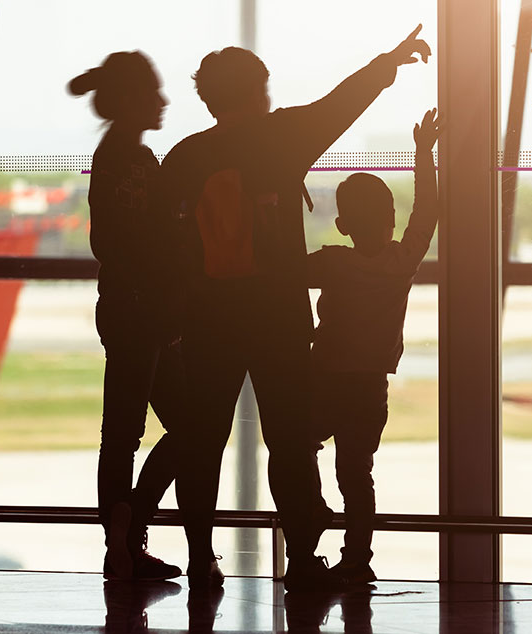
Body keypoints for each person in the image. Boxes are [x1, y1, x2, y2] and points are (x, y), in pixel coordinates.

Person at [160, 27, 431, 590]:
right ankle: (303, 560)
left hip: (208, 320)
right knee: (289, 442)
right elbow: (342, 103)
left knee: (203, 442)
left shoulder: (184, 158)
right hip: (277, 319)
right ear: (259, 91)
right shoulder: (279, 138)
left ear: (209, 99)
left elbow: (166, 245)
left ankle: (201, 556)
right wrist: (390, 62)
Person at [69, 51, 193, 582]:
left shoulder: (121, 157)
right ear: (132, 99)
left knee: (127, 431)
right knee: (180, 427)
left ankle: (124, 534)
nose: (164, 102)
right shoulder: (133, 162)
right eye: (155, 92)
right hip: (143, 313)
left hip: (131, 310)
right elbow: (135, 241)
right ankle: (127, 533)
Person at [308, 109, 440, 585]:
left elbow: (280, 273)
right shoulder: (400, 262)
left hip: (323, 378)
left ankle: (310, 514)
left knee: (300, 447)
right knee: (358, 476)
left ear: (342, 225)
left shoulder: (331, 263)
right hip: (369, 388)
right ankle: (357, 560)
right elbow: (428, 213)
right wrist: (423, 154)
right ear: (391, 220)